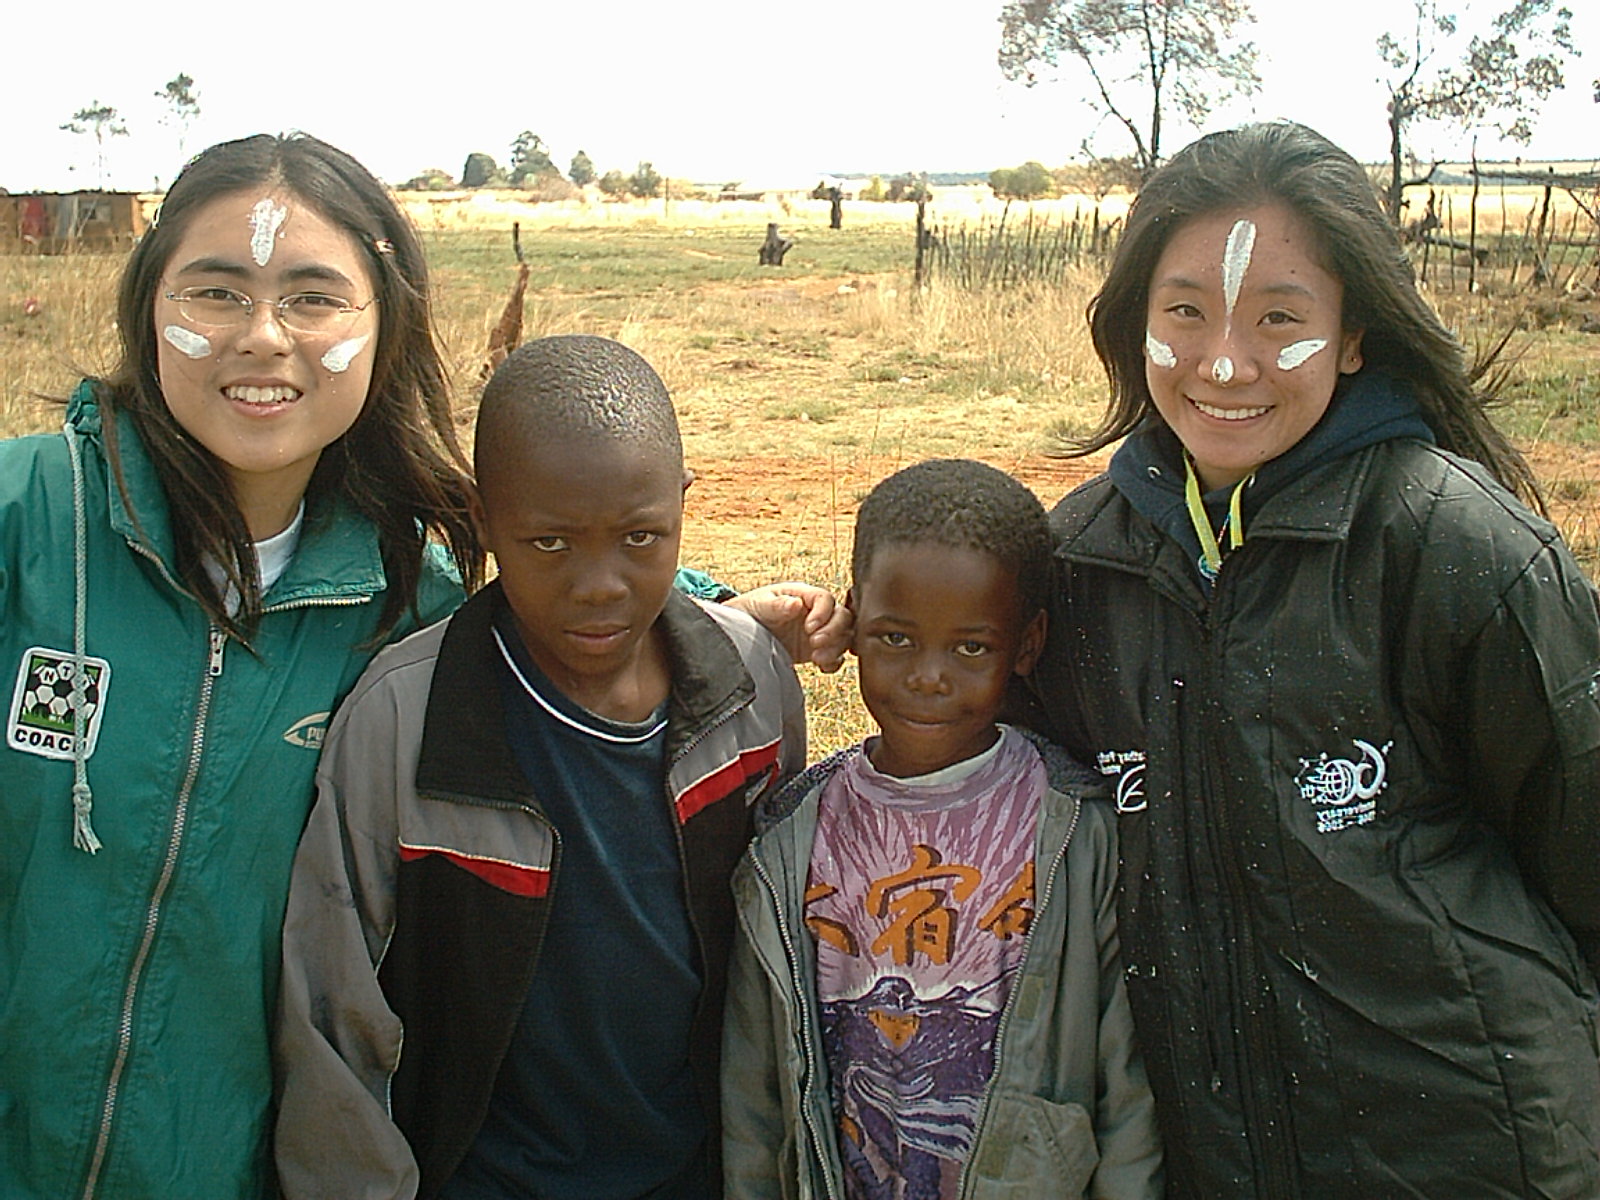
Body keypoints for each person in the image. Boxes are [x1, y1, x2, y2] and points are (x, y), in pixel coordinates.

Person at [1031, 120, 1600, 1198]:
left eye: (1279, 318)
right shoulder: (1078, 568)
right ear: (1132, 324)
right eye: (1184, 311)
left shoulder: (1451, 548)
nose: (1225, 363)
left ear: (1352, 337)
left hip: (1469, 1159)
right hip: (1198, 1158)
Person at [0, 132, 484, 1200]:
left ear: (385, 325)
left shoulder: (412, 609)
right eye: (215, 293)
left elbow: (582, 587)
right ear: (148, 307)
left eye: (314, 299)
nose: (262, 338)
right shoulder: (30, 516)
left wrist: (723, 614)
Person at [274, 334, 809, 1200]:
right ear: (486, 522)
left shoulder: (750, 683)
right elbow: (333, 1013)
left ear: (682, 506)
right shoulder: (405, 719)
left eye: (641, 537)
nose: (599, 584)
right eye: (550, 543)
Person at [723, 458, 1163, 1199]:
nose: (929, 676)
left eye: (970, 648)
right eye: (896, 638)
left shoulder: (1072, 834)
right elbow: (755, 1096)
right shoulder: (791, 840)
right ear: (854, 621)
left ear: (1026, 645)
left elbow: (1122, 1082)